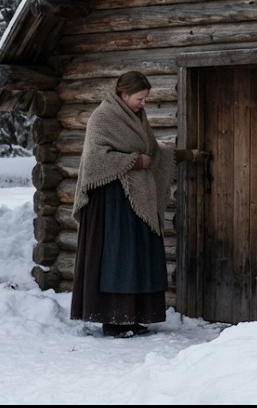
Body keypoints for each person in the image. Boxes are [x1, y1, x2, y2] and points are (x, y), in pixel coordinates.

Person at [70, 71, 174, 338]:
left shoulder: (137, 117)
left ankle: (133, 316)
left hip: (136, 200)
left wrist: (176, 155)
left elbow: (150, 149)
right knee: (116, 257)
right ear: (124, 95)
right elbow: (95, 159)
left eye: (145, 99)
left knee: (137, 257)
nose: (143, 103)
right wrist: (134, 162)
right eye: (140, 98)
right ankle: (113, 318)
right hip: (110, 203)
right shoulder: (102, 118)